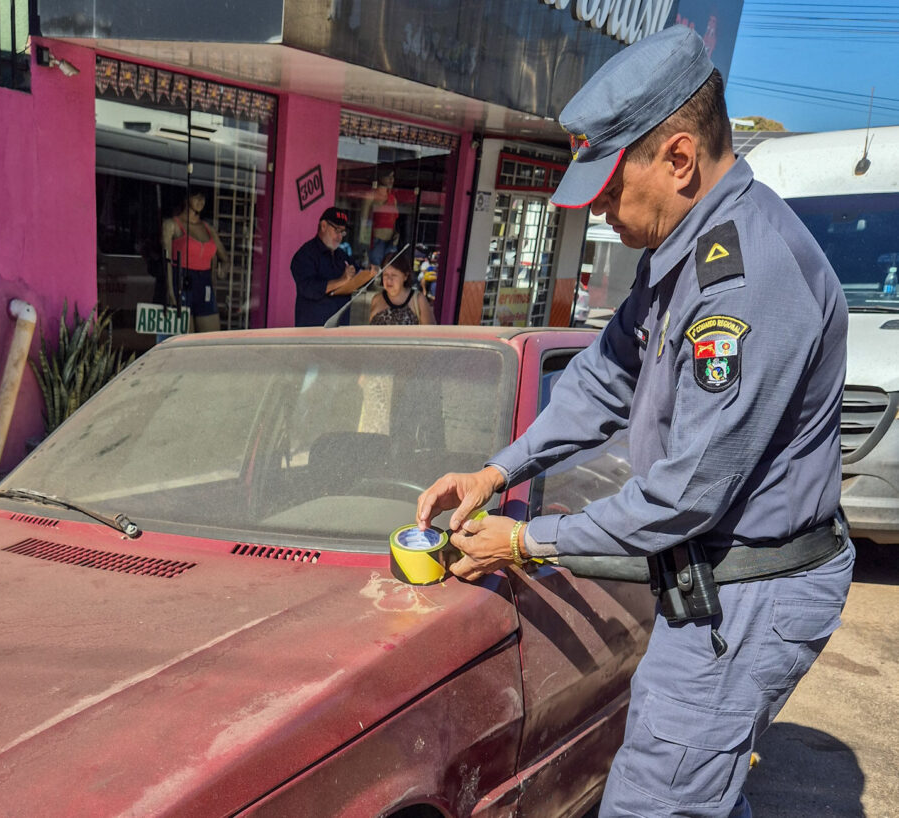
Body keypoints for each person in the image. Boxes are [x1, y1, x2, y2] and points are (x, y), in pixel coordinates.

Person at [415, 25, 853, 818]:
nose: (605, 212)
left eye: (611, 189)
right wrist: (497, 471)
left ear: (679, 159)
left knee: (658, 800)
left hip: (746, 593)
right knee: (695, 787)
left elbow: (687, 494)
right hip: (713, 574)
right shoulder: (674, 258)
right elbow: (601, 380)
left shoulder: (744, 283)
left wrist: (526, 541)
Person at [161, 190, 229, 333]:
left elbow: (224, 257)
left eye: (203, 197)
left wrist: (222, 271)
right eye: (196, 196)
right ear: (186, 198)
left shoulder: (208, 228)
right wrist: (170, 291)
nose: (200, 201)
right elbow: (165, 260)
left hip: (204, 284)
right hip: (181, 280)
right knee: (185, 338)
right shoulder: (172, 224)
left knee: (211, 339)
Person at [290, 206, 369, 327]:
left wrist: (369, 273)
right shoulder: (305, 254)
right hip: (312, 329)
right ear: (323, 226)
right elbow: (308, 288)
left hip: (340, 329)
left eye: (342, 232)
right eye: (337, 230)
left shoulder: (341, 255)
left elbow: (359, 276)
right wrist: (342, 280)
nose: (340, 236)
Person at [369, 251, 434, 325]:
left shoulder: (419, 300)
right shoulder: (376, 299)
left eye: (394, 275)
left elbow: (430, 333)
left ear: (405, 276)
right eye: (385, 275)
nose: (389, 280)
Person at [359, 165, 401, 266]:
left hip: (391, 240)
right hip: (376, 240)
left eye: (393, 176)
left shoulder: (392, 199)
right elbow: (364, 220)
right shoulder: (371, 196)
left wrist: (396, 235)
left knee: (390, 268)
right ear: (381, 177)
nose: (392, 180)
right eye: (389, 176)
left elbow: (394, 221)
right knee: (376, 270)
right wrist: (364, 244)